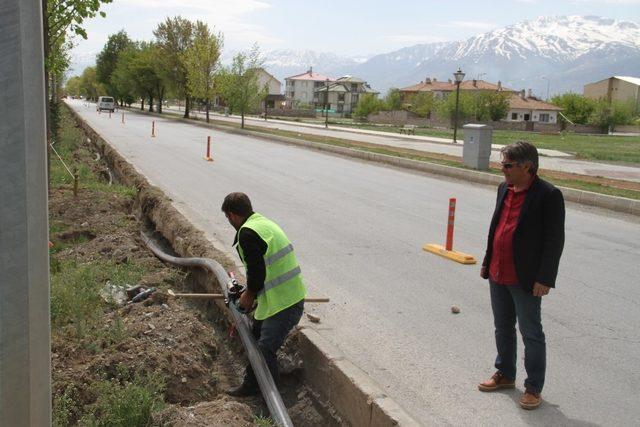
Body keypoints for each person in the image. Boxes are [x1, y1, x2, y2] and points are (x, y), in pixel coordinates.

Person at [478, 141, 565, 410]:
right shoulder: (504, 188)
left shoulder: (548, 195)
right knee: (502, 326)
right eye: (502, 164)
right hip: (498, 271)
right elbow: (497, 227)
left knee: (531, 333)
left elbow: (554, 240)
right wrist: (487, 260)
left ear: (527, 167)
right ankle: (505, 373)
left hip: (525, 277)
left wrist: (545, 278)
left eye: (507, 165)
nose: (502, 169)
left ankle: (533, 387)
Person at [221, 192, 306, 397]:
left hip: (285, 304)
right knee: (255, 334)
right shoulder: (262, 223)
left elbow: (257, 275)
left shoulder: (246, 233)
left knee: (265, 348)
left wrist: (247, 297)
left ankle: (274, 400)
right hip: (282, 297)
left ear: (232, 215)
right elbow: (266, 270)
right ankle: (251, 384)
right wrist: (249, 293)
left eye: (228, 218)